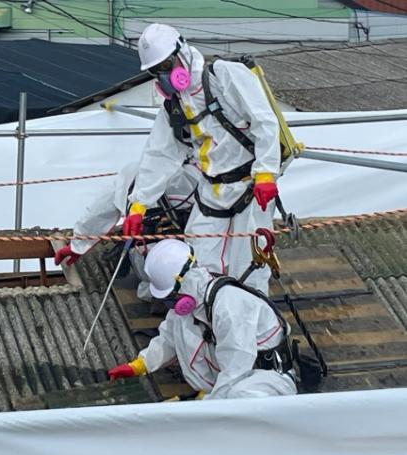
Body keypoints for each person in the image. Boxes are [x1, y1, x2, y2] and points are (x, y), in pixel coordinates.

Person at [122, 23, 280, 294]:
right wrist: (139, 205)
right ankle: (210, 315)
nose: (164, 75)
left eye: (167, 65)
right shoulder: (174, 106)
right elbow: (159, 155)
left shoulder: (224, 75)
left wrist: (266, 172)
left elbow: (264, 121)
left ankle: (252, 315)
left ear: (182, 53)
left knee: (250, 265)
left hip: (250, 187)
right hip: (211, 190)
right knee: (198, 263)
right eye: (156, 70)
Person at [108, 239, 297, 400]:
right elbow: (169, 339)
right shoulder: (195, 302)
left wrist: (207, 406)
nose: (170, 306)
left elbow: (236, 369)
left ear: (183, 284)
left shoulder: (229, 306)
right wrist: (140, 365)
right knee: (182, 327)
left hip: (267, 379)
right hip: (238, 375)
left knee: (237, 400)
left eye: (170, 299)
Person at [54, 161, 198, 301]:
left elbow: (100, 211)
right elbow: (101, 211)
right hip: (158, 255)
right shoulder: (187, 176)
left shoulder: (186, 179)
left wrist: (78, 245)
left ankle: (170, 294)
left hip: (178, 253)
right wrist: (77, 245)